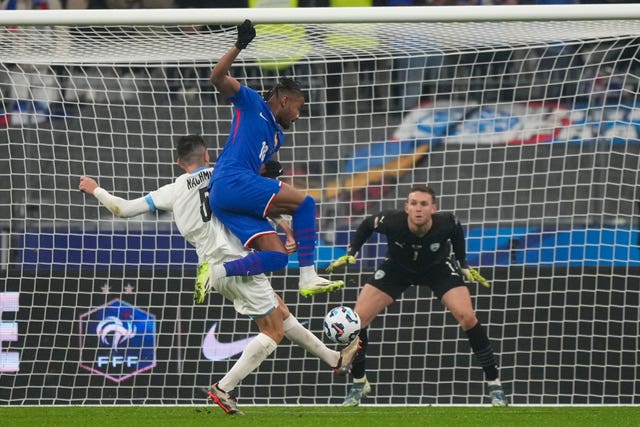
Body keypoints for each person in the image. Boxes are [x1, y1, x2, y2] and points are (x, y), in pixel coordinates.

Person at [78, 135, 360, 415]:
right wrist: (286, 229)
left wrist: (96, 190)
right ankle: (224, 387)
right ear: (207, 156)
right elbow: (259, 201)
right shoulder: (224, 174)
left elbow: (123, 209)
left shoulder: (172, 190)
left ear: (179, 162)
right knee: (273, 330)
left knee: (280, 311)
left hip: (214, 268)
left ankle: (333, 358)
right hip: (239, 261)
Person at [327, 185, 509, 407]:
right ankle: (359, 382)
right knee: (357, 320)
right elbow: (366, 224)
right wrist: (352, 252)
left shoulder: (446, 222)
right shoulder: (392, 221)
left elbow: (457, 231)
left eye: (423, 204)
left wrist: (462, 265)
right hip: (397, 269)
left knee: (467, 317)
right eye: (413, 204)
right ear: (407, 208)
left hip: (437, 269)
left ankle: (495, 385)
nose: (418, 209)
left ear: (433, 208)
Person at [204, 19, 344, 299]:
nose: (299, 115)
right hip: (229, 181)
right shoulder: (251, 101)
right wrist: (239, 45)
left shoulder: (278, 137)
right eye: (298, 107)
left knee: (278, 257)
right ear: (284, 101)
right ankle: (307, 276)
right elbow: (217, 77)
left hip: (227, 200)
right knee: (305, 203)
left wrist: (267, 172)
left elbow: (259, 187)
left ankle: (216, 272)